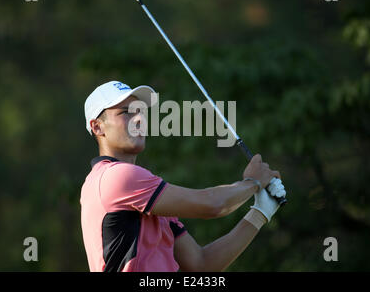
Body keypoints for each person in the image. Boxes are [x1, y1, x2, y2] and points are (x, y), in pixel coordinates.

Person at [80, 80, 287, 272]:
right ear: (97, 126)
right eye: (126, 112)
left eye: (141, 112)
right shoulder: (115, 176)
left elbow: (201, 263)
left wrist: (260, 212)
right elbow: (212, 205)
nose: (139, 119)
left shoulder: (150, 194)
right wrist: (252, 182)